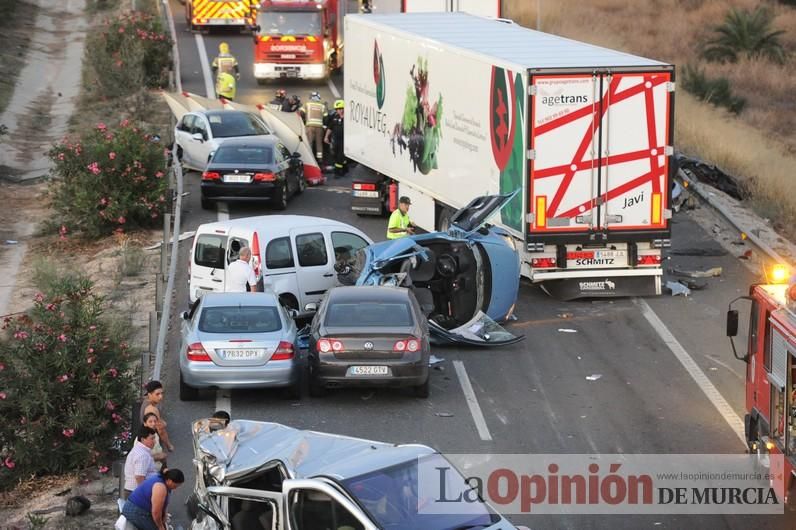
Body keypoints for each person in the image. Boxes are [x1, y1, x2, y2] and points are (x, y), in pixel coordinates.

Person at [123, 426, 159, 499]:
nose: (154, 441)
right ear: (143, 439)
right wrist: (144, 493)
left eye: (154, 438)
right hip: (136, 492)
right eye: (152, 438)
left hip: (134, 491)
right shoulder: (142, 454)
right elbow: (139, 476)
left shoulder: (139, 450)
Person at [140, 380, 175, 453]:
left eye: (162, 393)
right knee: (161, 460)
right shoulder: (152, 409)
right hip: (152, 442)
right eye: (157, 394)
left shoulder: (146, 402)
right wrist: (169, 445)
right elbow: (161, 430)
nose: (161, 396)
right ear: (149, 394)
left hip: (145, 439)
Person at [301, 92, 327, 166]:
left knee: (309, 143)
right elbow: (326, 117)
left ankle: (310, 160)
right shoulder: (322, 106)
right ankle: (320, 160)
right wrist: (324, 126)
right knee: (319, 144)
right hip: (319, 128)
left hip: (309, 127)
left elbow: (301, 113)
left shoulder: (307, 104)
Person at [324, 99, 346, 177]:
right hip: (336, 139)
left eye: (341, 109)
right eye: (338, 109)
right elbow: (330, 128)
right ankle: (344, 168)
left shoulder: (348, 118)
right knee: (335, 154)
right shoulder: (335, 117)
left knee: (340, 155)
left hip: (345, 140)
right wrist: (326, 137)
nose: (340, 111)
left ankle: (337, 172)